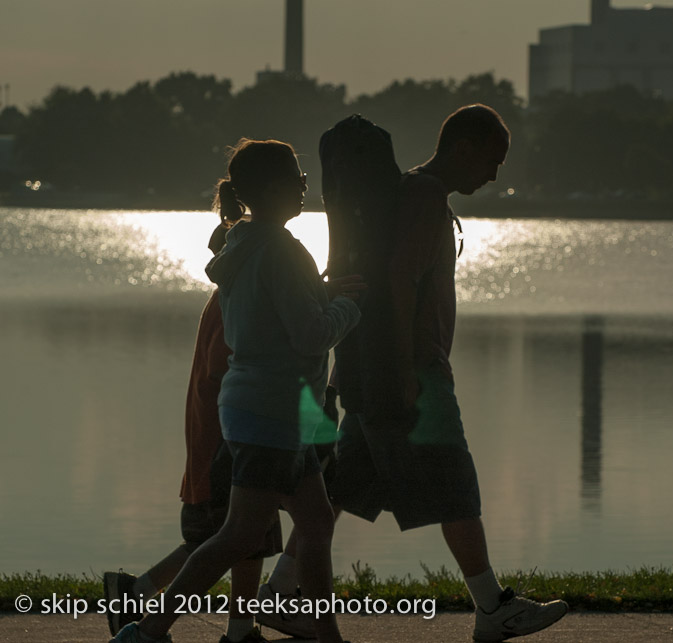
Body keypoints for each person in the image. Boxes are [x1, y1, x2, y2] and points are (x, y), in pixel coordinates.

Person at [260, 105, 568, 643]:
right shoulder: (425, 199)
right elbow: (399, 280)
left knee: (340, 488)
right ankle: (493, 607)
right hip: (415, 373)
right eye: (492, 160)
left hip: (370, 367)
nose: (494, 174)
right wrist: (402, 370)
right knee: (455, 484)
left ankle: (282, 590)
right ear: (463, 146)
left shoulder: (409, 193)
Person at [110, 139, 364, 643]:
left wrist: (325, 296)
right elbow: (310, 335)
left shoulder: (243, 245)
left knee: (314, 523)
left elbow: (278, 315)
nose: (305, 186)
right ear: (273, 189)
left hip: (263, 409)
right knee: (239, 535)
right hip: (272, 411)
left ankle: (326, 635)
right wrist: (351, 307)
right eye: (299, 178)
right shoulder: (282, 250)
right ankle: (146, 631)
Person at [103, 210, 281, 643]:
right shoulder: (231, 307)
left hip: (215, 435)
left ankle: (145, 592)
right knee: (238, 535)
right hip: (230, 437)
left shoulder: (222, 301)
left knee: (231, 536)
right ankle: (218, 626)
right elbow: (226, 371)